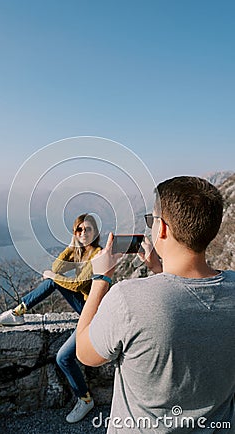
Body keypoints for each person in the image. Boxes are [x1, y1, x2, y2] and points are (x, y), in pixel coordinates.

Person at [76, 176, 235, 433]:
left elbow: (85, 353)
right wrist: (160, 271)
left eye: (151, 221)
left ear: (162, 230)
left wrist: (100, 280)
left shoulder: (127, 299)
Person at [0, 213, 102, 423]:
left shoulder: (98, 253)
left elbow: (77, 284)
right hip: (84, 308)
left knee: (63, 358)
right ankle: (18, 312)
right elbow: (57, 267)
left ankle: (85, 399)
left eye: (87, 229)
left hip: (93, 315)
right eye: (79, 230)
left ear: (95, 232)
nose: (84, 233)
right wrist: (72, 246)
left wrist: (54, 277)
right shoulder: (80, 251)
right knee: (54, 280)